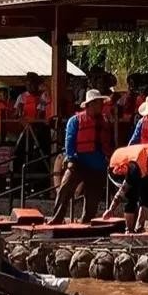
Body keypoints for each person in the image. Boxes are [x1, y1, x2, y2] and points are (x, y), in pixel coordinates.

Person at [49, 89, 112, 225]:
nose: (102, 105)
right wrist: (70, 159)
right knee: (65, 189)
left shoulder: (105, 121)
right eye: (99, 102)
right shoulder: (75, 120)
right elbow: (69, 141)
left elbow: (108, 143)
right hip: (78, 163)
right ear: (91, 104)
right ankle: (56, 219)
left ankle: (86, 223)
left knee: (92, 199)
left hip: (98, 166)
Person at [104, 142, 148, 233]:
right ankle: (129, 230)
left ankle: (139, 227)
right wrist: (111, 209)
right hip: (116, 168)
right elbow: (124, 189)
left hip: (141, 166)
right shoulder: (135, 166)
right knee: (132, 194)